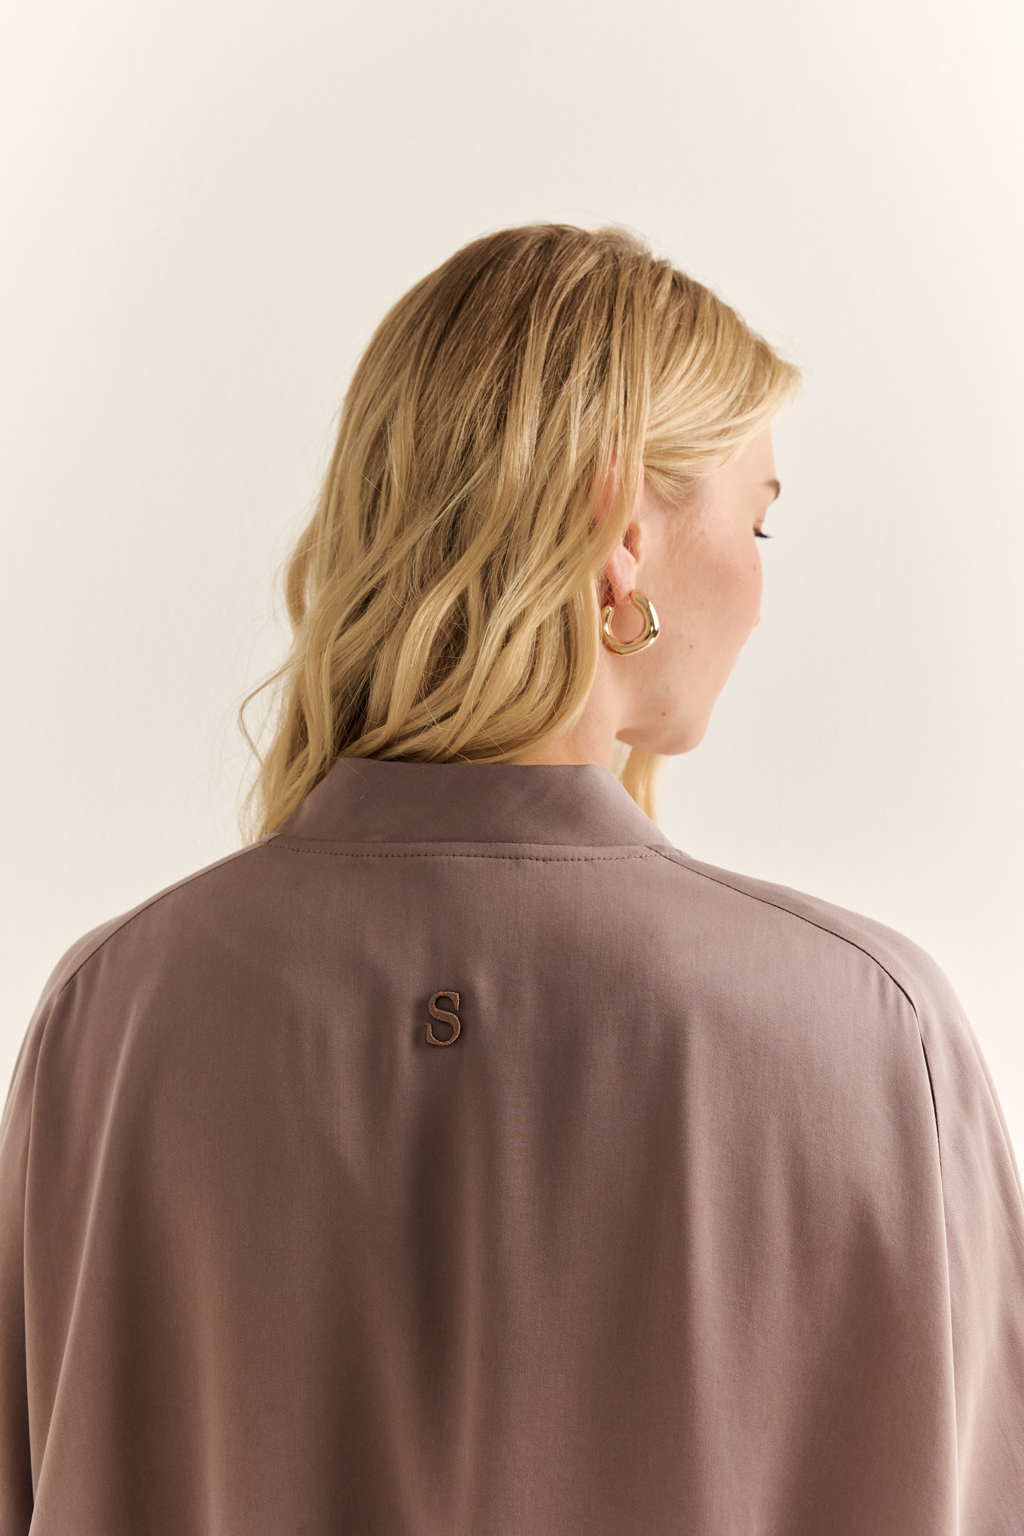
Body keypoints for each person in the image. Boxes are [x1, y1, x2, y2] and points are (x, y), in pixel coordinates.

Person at [1, 224, 1021, 1535]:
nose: (763, 591)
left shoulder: (112, 1018)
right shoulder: (875, 1035)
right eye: (761, 518)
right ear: (621, 533)